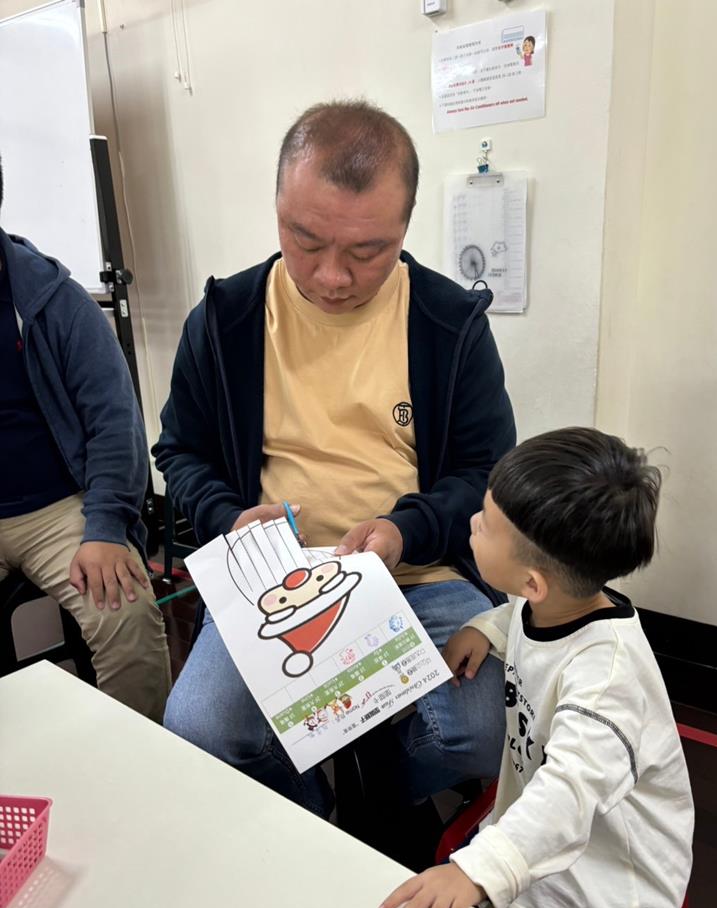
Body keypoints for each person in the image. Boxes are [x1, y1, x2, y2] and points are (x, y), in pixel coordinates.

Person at [153, 100, 516, 834]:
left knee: (483, 734)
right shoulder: (226, 319)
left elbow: (487, 471)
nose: (332, 277)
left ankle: (376, 790)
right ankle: (320, 820)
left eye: (367, 252)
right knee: (198, 731)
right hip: (270, 583)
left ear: (405, 227)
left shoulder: (447, 324)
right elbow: (178, 451)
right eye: (305, 239)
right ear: (278, 208)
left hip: (420, 574)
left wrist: (406, 530)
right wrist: (229, 517)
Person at [378, 427, 694, 908]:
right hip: (534, 852)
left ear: (533, 580)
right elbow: (522, 618)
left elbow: (566, 797)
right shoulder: (547, 602)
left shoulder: (607, 683)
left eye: (486, 523)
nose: (472, 522)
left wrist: (475, 872)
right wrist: (487, 629)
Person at [0, 157, 171, 721]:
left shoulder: (53, 302)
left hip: (61, 509)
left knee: (125, 612)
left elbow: (115, 422)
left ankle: (139, 755)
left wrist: (106, 527)